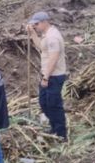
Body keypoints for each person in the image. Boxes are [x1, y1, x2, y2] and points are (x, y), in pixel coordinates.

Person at [27, 11, 68, 141]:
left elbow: (53, 58)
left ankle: (61, 133)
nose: (35, 27)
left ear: (45, 22)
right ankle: (54, 127)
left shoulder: (53, 37)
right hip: (47, 74)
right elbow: (40, 47)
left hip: (54, 76)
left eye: (37, 24)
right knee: (44, 102)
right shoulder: (46, 35)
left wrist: (46, 77)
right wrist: (32, 34)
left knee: (54, 104)